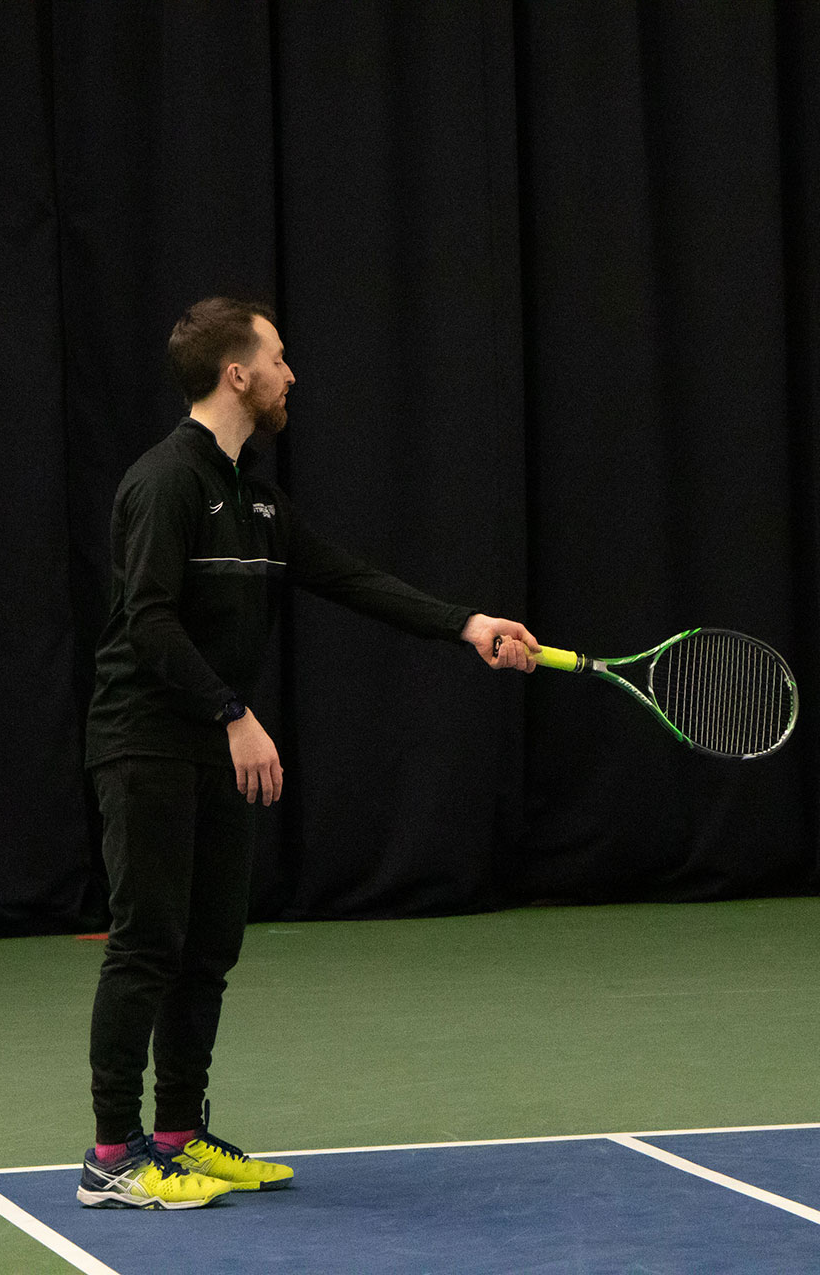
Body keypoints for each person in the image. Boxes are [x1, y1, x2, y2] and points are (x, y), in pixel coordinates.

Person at [76, 297, 540, 1208]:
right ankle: (109, 1159)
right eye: (279, 358)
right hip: (147, 741)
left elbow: (347, 576)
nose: (293, 375)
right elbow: (149, 621)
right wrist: (233, 714)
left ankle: (176, 1134)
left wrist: (468, 625)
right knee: (147, 945)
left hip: (210, 745)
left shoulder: (254, 494)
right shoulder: (165, 482)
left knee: (206, 947)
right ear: (236, 372)